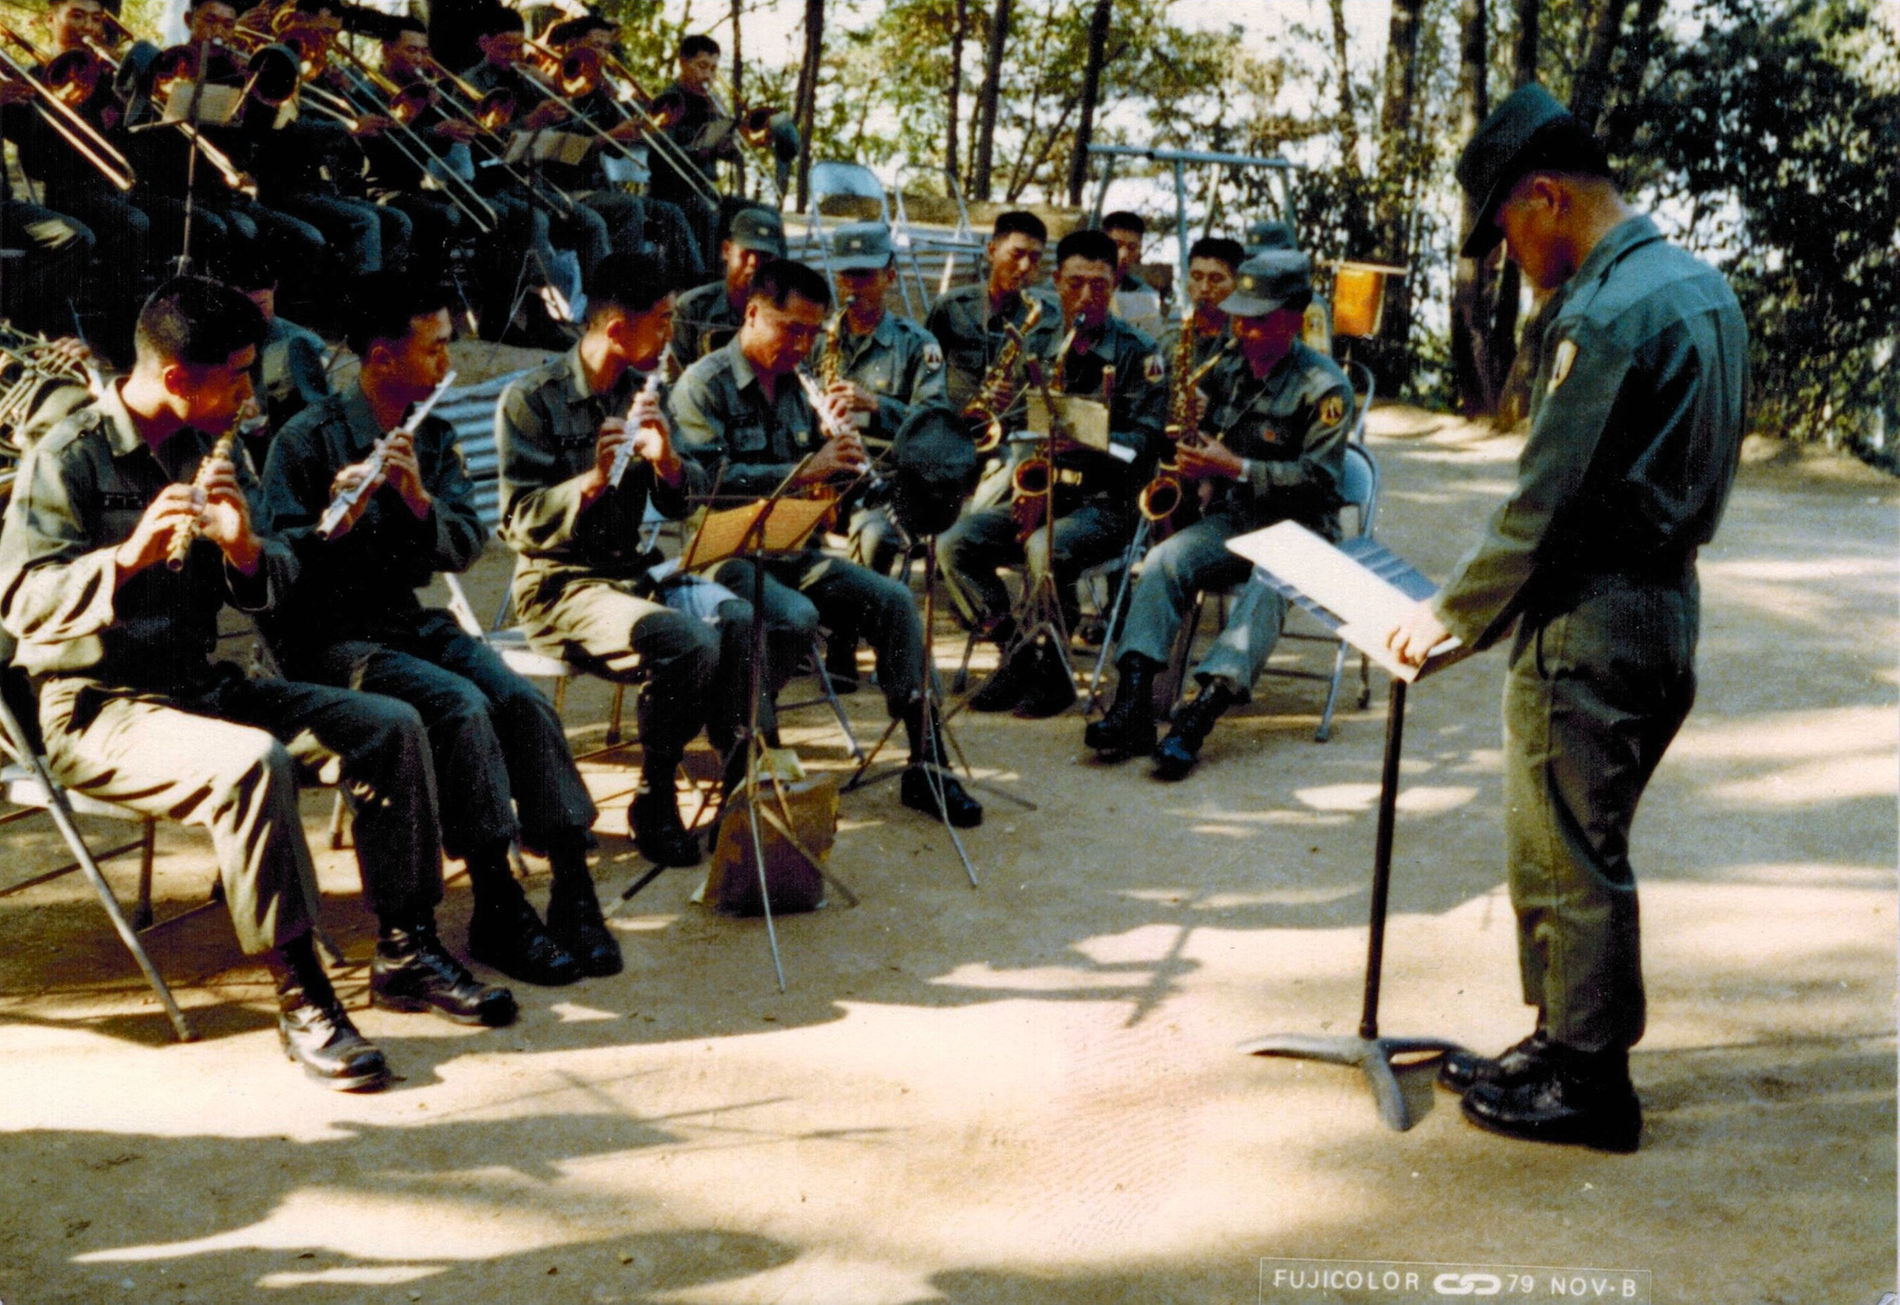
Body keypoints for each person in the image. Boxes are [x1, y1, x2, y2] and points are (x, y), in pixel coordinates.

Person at [0, 276, 513, 1092]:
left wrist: (244, 551)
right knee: (251, 764)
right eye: (236, 375)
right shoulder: (68, 455)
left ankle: (407, 947)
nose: (249, 392)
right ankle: (302, 992)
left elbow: (278, 571)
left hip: (199, 683)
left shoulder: (214, 443)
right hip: (97, 706)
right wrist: (123, 560)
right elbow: (21, 600)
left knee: (390, 722)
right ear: (177, 377)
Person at [1385, 84, 1749, 1152]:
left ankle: (1589, 1081)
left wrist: (1449, 620)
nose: (1506, 252)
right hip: (1664, 604)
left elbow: (1543, 503)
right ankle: (1562, 1037)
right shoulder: (1697, 287)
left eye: (1504, 224)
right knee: (1581, 839)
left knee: (1565, 850)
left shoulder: (1602, 309)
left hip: (1590, 617)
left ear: (1544, 195)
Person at [258, 277, 613, 985]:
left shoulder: (433, 432)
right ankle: (496, 899)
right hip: (328, 643)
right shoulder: (305, 439)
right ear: (383, 357)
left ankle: (572, 882)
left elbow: (464, 546)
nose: (449, 364)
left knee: (519, 699)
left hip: (404, 622)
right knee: (460, 704)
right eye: (437, 347)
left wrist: (417, 500)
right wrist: (333, 529)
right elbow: (270, 583)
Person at [670, 257, 982, 827]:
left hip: (792, 549)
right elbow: (701, 488)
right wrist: (804, 468)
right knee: (793, 613)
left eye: (814, 333)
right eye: (794, 330)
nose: (804, 345)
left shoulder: (798, 384)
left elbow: (829, 490)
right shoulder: (703, 385)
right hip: (723, 558)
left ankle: (928, 761)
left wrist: (846, 466)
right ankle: (756, 774)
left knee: (892, 603)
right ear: (754, 313)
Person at [496, 250, 742, 868]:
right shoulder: (531, 400)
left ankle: (744, 787)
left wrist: (667, 461)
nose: (668, 336)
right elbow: (518, 525)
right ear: (615, 330)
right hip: (560, 588)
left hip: (632, 576)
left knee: (742, 619)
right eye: (660, 322)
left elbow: (683, 503)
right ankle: (654, 796)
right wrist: (592, 482)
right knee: (689, 643)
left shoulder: (642, 392)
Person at [1086, 250, 1352, 777]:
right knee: (1163, 560)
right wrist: (1197, 457)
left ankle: (1199, 714)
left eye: (1259, 318)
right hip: (1237, 519)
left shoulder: (1325, 388)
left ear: (1295, 316)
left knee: (1272, 582)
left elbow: (1320, 480)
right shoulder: (1228, 365)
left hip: (1302, 531)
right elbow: (1206, 435)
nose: (1243, 329)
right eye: (1239, 316)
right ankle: (1134, 703)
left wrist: (1236, 468)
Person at [937, 227, 1167, 718]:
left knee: (1044, 547)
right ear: (1057, 281)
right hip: (1041, 490)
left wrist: (1091, 441)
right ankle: (1018, 657)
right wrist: (1005, 419)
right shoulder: (1036, 339)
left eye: (1100, 286)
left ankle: (1056, 675)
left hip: (1107, 504)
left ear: (1115, 283)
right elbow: (1015, 425)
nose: (1087, 297)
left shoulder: (1140, 353)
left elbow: (1149, 441)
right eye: (1076, 283)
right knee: (953, 543)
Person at [807, 220, 948, 685]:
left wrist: (877, 405)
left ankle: (844, 641)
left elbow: (935, 429)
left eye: (866, 275)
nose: (855, 287)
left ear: (891, 275)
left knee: (871, 537)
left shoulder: (917, 344)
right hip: (825, 477)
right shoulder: (817, 339)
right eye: (848, 276)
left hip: (888, 483)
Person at [924, 209, 1054, 421]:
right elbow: (923, 376)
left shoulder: (1047, 318)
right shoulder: (950, 307)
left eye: (1034, 258)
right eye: (1016, 254)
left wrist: (1018, 399)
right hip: (953, 427)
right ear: (991, 252)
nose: (1024, 267)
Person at [668, 206, 785, 374]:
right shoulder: (694, 307)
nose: (754, 264)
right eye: (746, 253)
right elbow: (674, 379)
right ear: (727, 250)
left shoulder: (783, 312)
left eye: (764, 257)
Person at [1182, 236, 1245, 371]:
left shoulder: (1248, 341)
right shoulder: (1172, 341)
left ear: (1237, 284)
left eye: (1216, 279)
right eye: (1197, 277)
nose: (1204, 288)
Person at [1101, 210, 1163, 338]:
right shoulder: (1077, 285)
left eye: (1131, 248)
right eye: (1117, 245)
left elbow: (1153, 344)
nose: (1124, 255)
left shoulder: (1143, 294)